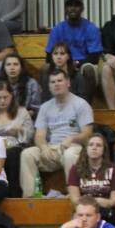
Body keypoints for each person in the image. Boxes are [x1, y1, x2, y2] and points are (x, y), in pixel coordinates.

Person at [19, 69, 93, 198]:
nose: (56, 84)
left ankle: (73, 195)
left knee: (70, 154)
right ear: (49, 86)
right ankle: (32, 197)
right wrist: (43, 147)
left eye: (60, 80)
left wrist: (72, 139)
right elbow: (39, 135)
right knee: (27, 154)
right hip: (53, 149)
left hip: (75, 148)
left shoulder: (81, 104)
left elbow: (87, 133)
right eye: (52, 82)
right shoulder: (45, 107)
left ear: (68, 83)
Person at [44, 0, 102, 102]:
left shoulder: (90, 27)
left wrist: (75, 63)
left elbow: (94, 57)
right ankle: (46, 104)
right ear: (65, 8)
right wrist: (63, 63)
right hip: (61, 64)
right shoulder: (58, 29)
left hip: (82, 66)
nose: (73, 8)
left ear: (82, 8)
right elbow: (48, 56)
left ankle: (86, 106)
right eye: (70, 5)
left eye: (76, 5)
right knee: (45, 68)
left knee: (89, 69)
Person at [0, 80, 34, 197]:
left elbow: (29, 136)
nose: (2, 101)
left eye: (5, 97)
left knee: (12, 154)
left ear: (11, 97)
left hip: (15, 147)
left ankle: (14, 193)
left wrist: (20, 130)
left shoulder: (22, 112)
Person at [67, 132, 115, 224]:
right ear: (86, 149)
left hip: (105, 212)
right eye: (91, 145)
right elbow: (75, 200)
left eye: (98, 145)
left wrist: (96, 202)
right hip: (84, 211)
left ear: (104, 150)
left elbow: (114, 201)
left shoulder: (113, 169)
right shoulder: (75, 169)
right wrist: (95, 202)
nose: (94, 147)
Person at [0, 52, 42, 119]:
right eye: (8, 64)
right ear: (4, 68)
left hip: (25, 120)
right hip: (2, 119)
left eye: (15, 64)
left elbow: (36, 110)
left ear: (21, 67)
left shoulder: (32, 84)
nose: (12, 68)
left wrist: (19, 116)